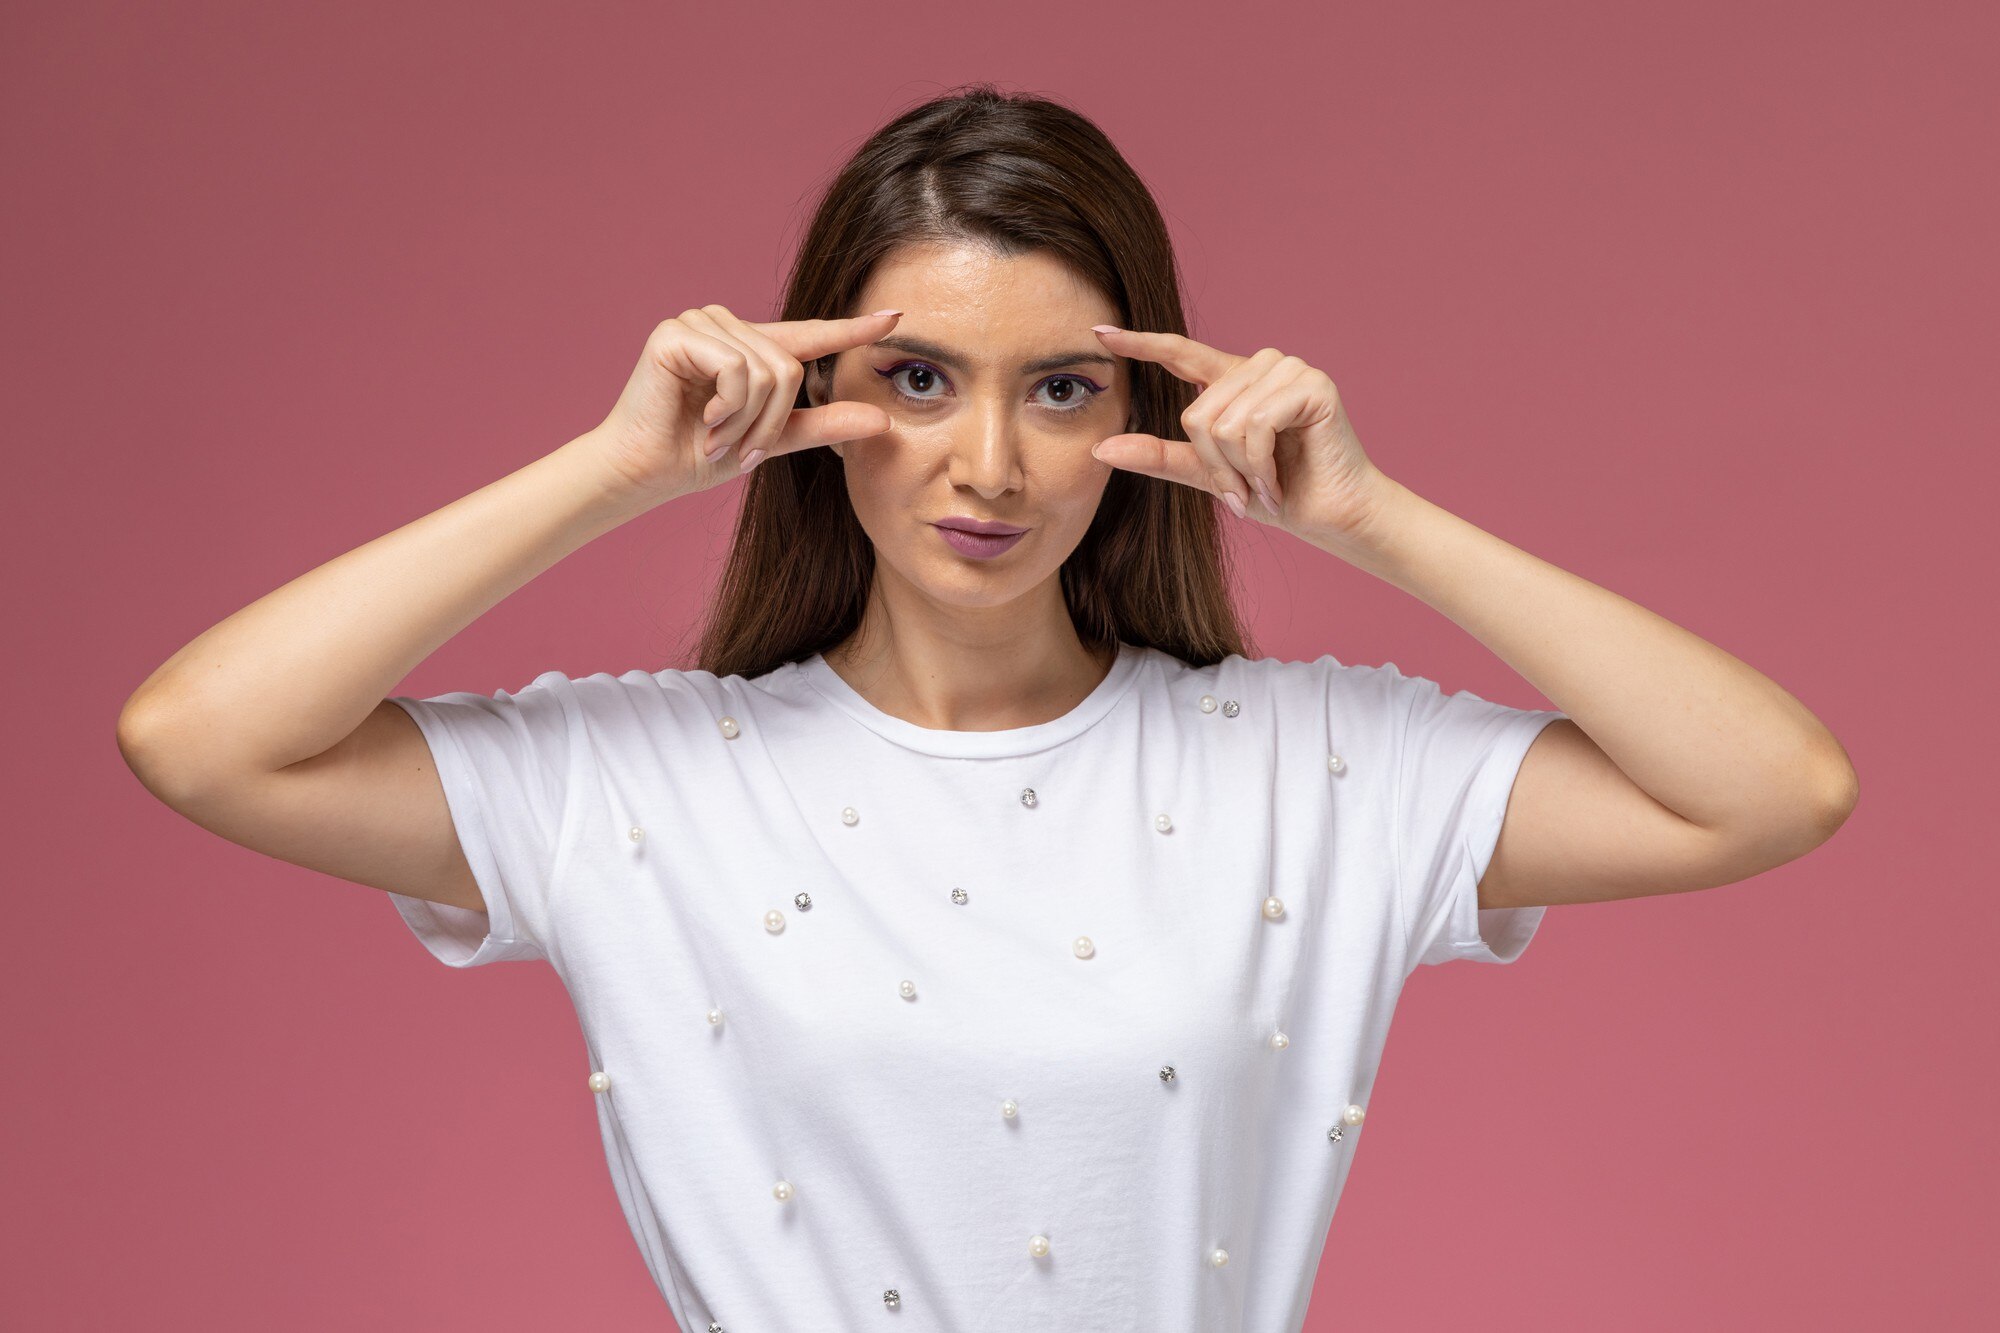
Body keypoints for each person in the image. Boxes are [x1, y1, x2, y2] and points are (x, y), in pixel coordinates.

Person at [115, 84, 1857, 1332]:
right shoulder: (642, 782)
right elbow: (198, 735)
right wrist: (613, 467)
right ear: (819, 391)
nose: (992, 464)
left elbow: (1771, 786)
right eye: (920, 379)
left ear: (1140, 402)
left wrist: (1371, 516)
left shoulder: (1318, 767)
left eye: (1064, 388)